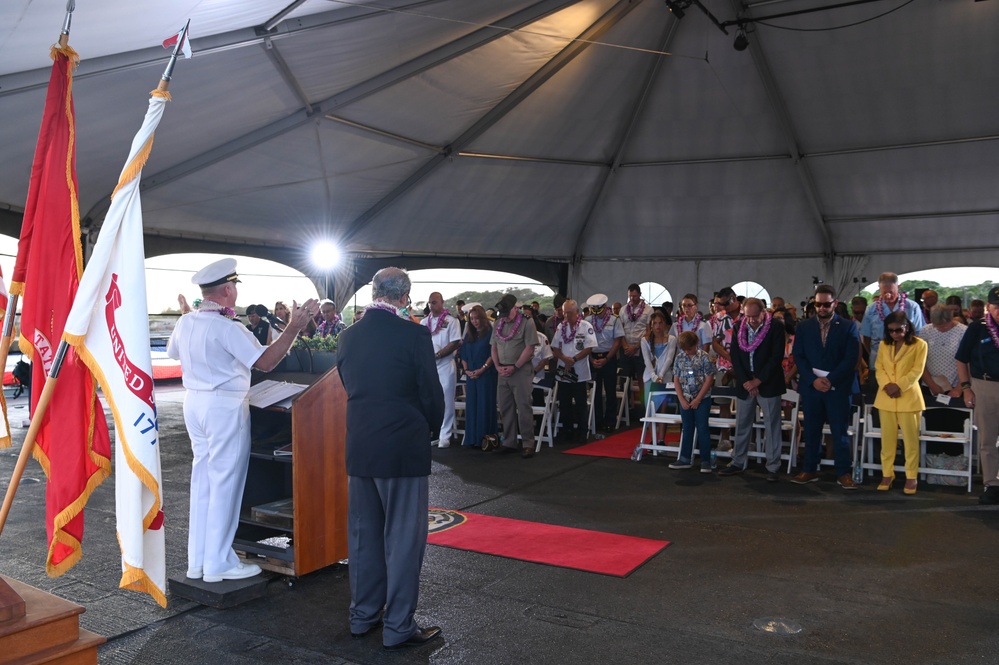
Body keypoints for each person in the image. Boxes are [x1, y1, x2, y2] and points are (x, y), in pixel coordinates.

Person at [168, 258, 319, 583]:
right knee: (225, 483)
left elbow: (173, 354)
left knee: (203, 481)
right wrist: (293, 326)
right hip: (223, 407)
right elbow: (265, 361)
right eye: (234, 285)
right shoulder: (227, 328)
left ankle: (199, 560)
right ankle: (219, 562)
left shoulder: (186, 322)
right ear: (227, 289)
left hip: (194, 403)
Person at [335, 267, 445, 650]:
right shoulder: (414, 334)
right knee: (403, 539)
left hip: (361, 445)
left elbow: (349, 384)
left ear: (374, 292)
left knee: (363, 537)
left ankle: (362, 617)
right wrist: (430, 428)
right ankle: (398, 626)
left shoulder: (348, 336)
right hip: (402, 447)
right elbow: (430, 393)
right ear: (404, 296)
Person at [790, 285, 861, 489]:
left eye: (826, 304)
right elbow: (799, 356)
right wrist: (813, 379)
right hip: (812, 387)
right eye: (818, 304)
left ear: (834, 304)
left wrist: (831, 379)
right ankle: (809, 469)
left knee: (839, 432)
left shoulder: (848, 326)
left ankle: (843, 473)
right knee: (812, 430)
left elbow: (851, 357)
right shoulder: (804, 326)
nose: (821, 308)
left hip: (838, 387)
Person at [718, 297, 787, 482]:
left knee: (772, 426)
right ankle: (738, 462)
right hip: (745, 383)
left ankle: (773, 466)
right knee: (741, 424)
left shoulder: (776, 327)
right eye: (747, 316)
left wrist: (758, 380)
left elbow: (776, 357)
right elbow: (735, 355)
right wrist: (747, 381)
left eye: (755, 316)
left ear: (765, 312)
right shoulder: (739, 325)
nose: (751, 320)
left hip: (768, 383)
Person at [874, 311, 927, 495]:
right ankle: (887, 474)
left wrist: (899, 386)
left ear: (907, 327)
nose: (895, 334)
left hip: (909, 398)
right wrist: (887, 385)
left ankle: (911, 476)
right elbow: (879, 368)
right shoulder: (883, 345)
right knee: (887, 440)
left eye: (899, 330)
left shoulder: (920, 345)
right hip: (886, 397)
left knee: (910, 441)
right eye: (891, 331)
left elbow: (917, 371)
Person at [956, 286, 999, 505]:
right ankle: (992, 484)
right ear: (988, 307)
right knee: (988, 439)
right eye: (996, 306)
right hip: (984, 385)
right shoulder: (976, 329)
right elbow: (961, 359)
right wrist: (966, 388)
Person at [490, 294, 539, 458]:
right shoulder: (498, 323)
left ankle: (527, 443)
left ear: (515, 308)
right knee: (505, 407)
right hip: (502, 371)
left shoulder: (527, 322)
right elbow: (494, 347)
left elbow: (529, 347)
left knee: (523, 406)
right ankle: (509, 442)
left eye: (507, 313)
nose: (505, 317)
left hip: (520, 370)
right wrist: (497, 366)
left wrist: (515, 366)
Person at [861, 272, 925, 381]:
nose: (888, 296)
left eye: (891, 292)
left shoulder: (912, 307)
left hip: (906, 362)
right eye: (884, 292)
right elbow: (866, 337)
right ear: (879, 288)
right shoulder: (871, 309)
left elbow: (919, 334)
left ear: (898, 287)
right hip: (879, 362)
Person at [551, 299, 597, 443]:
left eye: (570, 313)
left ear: (577, 312)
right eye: (565, 313)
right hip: (564, 370)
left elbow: (589, 347)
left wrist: (574, 360)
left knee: (580, 403)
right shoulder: (560, 327)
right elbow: (555, 347)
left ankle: (583, 431)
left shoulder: (585, 326)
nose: (566, 316)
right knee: (564, 403)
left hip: (580, 371)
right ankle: (567, 429)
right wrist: (565, 359)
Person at [670, 332, 715, 472]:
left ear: (696, 344)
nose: (687, 351)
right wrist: (681, 399)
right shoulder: (679, 357)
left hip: (702, 398)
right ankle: (684, 458)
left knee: (702, 428)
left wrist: (698, 399)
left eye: (689, 348)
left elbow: (709, 379)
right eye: (685, 349)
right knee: (687, 428)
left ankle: (705, 461)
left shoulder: (705, 358)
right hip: (685, 398)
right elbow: (676, 379)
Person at [423, 292, 462, 447]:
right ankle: (434, 433)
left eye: (435, 302)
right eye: (430, 303)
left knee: (446, 400)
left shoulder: (451, 321)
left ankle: (445, 434)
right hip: (429, 366)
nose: (432, 306)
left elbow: (455, 342)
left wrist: (438, 355)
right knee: (430, 399)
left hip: (445, 364)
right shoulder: (424, 322)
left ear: (442, 302)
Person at [586, 293, 625, 434]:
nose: (597, 314)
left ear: (605, 307)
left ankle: (610, 421)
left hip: (609, 357)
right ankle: (596, 420)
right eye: (594, 310)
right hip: (592, 356)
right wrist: (590, 358)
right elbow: (585, 341)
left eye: (599, 310)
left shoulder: (615, 320)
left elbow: (617, 341)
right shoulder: (588, 320)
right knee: (594, 391)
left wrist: (607, 358)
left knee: (610, 391)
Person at [640, 311, 677, 446]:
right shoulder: (645, 340)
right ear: (651, 325)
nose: (657, 326)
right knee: (650, 408)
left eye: (660, 323)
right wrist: (655, 377)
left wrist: (660, 376)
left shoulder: (672, 339)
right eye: (654, 323)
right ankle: (653, 438)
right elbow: (647, 361)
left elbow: (669, 359)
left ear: (665, 324)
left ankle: (661, 439)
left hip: (665, 377)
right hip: (650, 377)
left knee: (663, 408)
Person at [919, 304, 966, 398]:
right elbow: (920, 361)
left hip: (956, 385)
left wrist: (958, 389)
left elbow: (968, 363)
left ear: (951, 319)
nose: (941, 329)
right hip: (930, 384)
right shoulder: (926, 331)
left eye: (944, 326)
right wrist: (932, 385)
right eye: (937, 326)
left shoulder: (963, 331)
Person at [621, 283, 652, 411]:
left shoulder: (648, 310)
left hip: (641, 348)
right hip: (626, 348)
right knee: (624, 379)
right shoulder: (623, 310)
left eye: (635, 296)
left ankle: (644, 407)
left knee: (642, 379)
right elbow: (620, 330)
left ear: (639, 295)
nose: (632, 299)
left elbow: (649, 331)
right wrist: (625, 346)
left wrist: (636, 347)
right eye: (630, 296)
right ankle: (625, 407)